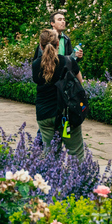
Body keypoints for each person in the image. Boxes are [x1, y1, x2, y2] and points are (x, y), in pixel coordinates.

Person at [32, 29, 84, 158]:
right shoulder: (68, 62)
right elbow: (79, 83)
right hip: (66, 115)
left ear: (40, 45)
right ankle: (81, 178)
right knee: (76, 153)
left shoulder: (36, 64)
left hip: (45, 114)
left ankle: (47, 178)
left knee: (50, 155)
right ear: (58, 44)